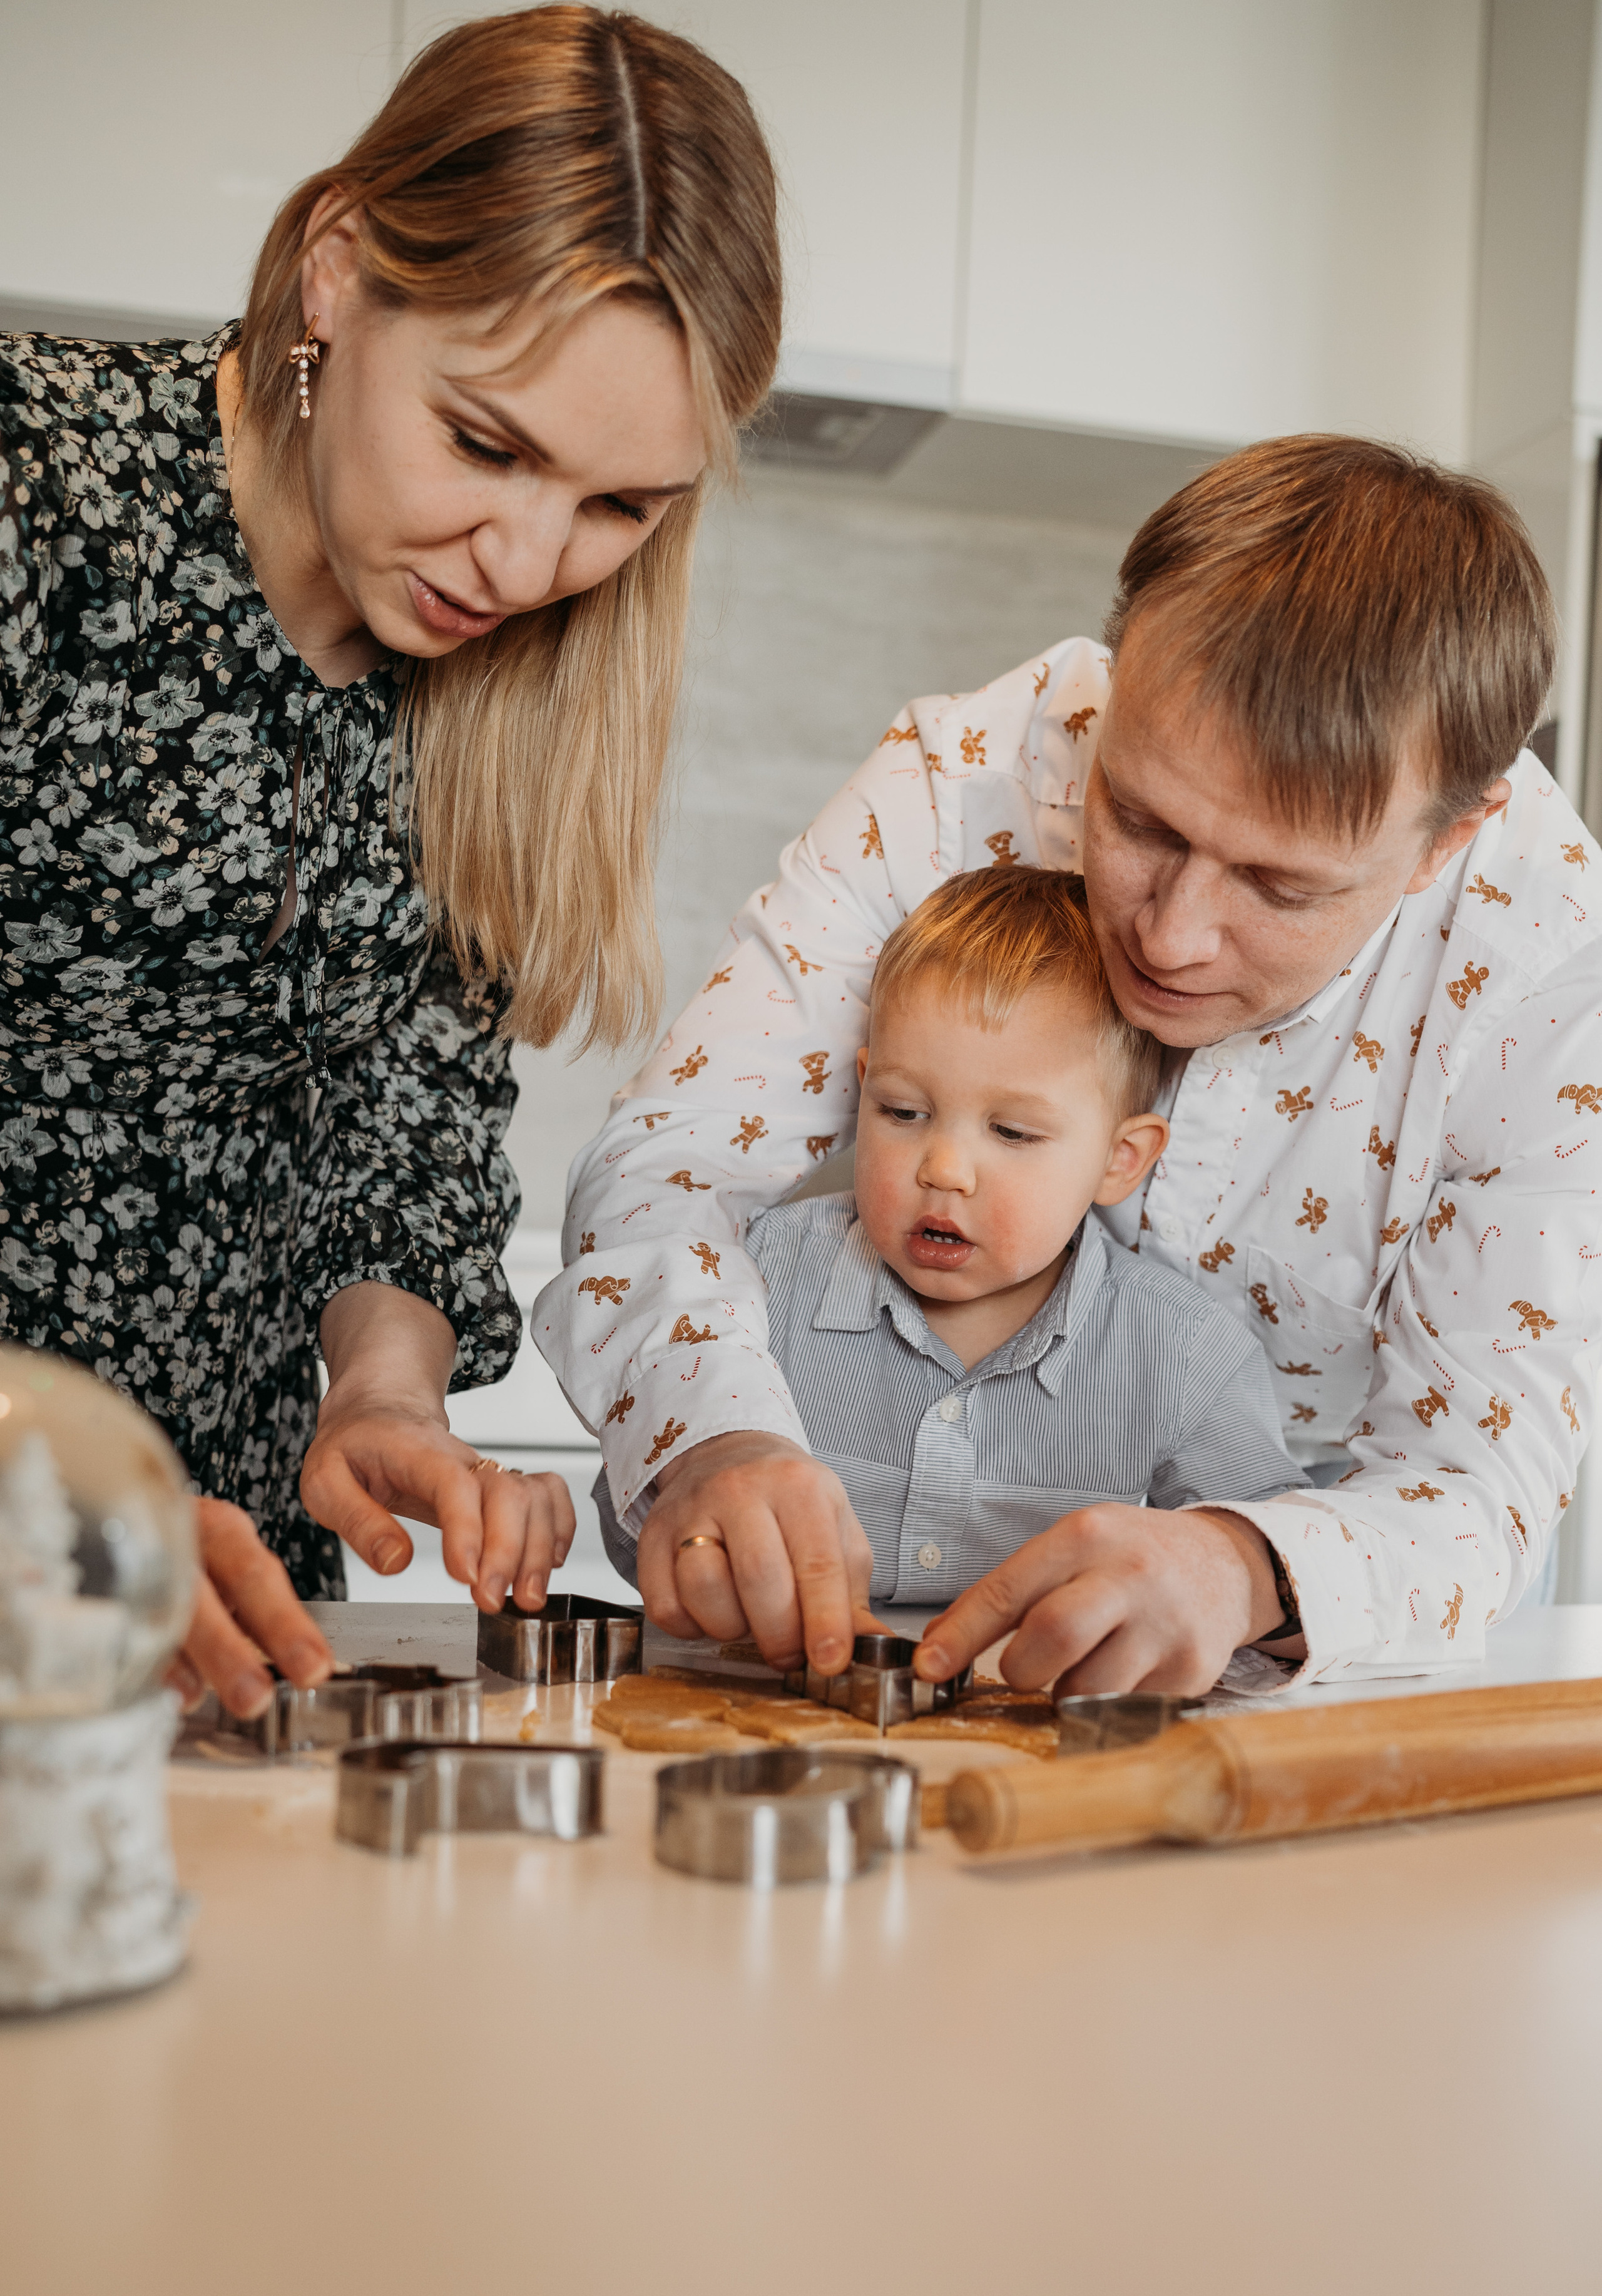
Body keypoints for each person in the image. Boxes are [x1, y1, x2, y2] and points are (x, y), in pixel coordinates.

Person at [538, 434, 1597, 1698]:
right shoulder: (954, 780)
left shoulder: (1544, 963)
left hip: (1305, 1669)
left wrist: (1239, 1562)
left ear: (1448, 836)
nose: (1168, 934)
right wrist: (715, 1434)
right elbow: (671, 1163)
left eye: (1277, 885)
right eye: (1139, 820)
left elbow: (1479, 1472)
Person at [0, 6, 780, 1716]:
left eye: (618, 507)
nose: (522, 558)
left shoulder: (497, 692)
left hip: (230, 1633)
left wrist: (387, 1402)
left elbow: (402, 1133)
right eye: (486, 444)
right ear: (339, 275)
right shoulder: (36, 499)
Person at [596, 866, 1307, 1679]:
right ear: (861, 1094)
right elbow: (639, 1527)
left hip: (1035, 1763)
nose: (944, 1169)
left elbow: (1285, 1582)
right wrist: (697, 1528)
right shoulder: (747, 1287)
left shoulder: (1188, 1354)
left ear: (1120, 1160)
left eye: (1010, 1131)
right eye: (903, 1113)